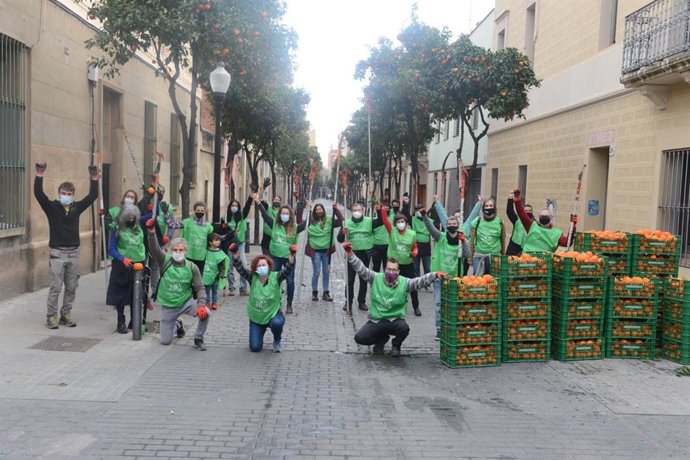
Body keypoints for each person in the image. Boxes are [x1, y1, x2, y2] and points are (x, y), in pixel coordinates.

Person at [343, 242, 443, 357]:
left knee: (404, 328)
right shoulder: (375, 278)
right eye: (389, 269)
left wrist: (435, 275)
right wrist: (350, 253)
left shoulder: (405, 283)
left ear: (398, 272)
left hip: (395, 321)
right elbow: (361, 269)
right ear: (384, 269)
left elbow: (419, 281)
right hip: (377, 320)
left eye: (394, 270)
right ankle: (381, 339)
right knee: (359, 338)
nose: (391, 272)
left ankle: (396, 346)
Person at [33, 162, 99, 329]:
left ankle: (66, 314)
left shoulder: (77, 207)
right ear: (59, 193)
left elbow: (92, 196)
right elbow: (39, 194)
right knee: (56, 287)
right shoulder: (52, 207)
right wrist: (39, 174)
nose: (66, 196)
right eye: (63, 193)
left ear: (73, 195)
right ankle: (51, 316)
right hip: (57, 253)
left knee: (71, 287)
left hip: (74, 253)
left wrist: (94, 177)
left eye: (69, 193)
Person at [145, 219, 210, 351]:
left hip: (186, 302)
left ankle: (198, 338)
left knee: (206, 313)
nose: (178, 252)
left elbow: (200, 287)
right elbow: (154, 248)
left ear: (185, 251)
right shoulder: (165, 260)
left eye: (181, 250)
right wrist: (151, 233)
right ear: (170, 251)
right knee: (165, 341)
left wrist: (202, 305)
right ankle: (178, 324)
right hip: (168, 306)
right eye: (175, 250)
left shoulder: (192, 267)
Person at [230, 242, 297, 353]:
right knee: (255, 347)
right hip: (257, 317)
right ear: (255, 268)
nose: (261, 267)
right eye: (259, 266)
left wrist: (292, 255)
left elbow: (287, 270)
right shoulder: (253, 277)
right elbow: (240, 269)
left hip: (273, 314)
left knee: (277, 323)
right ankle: (259, 331)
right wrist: (236, 254)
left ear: (269, 266)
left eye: (264, 265)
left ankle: (277, 340)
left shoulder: (276, 277)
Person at [255, 193, 307, 314]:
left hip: (289, 259)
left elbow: (306, 224)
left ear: (290, 215)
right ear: (279, 215)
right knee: (274, 280)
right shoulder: (274, 224)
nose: (284, 215)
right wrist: (258, 202)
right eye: (282, 213)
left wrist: (308, 209)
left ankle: (289, 303)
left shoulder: (294, 227)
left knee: (290, 281)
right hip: (276, 258)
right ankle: (274, 301)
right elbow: (265, 214)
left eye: (286, 213)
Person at [421, 210, 469, 337]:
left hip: (456, 279)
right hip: (440, 278)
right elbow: (431, 229)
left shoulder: (461, 239)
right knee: (439, 305)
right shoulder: (441, 237)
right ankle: (439, 329)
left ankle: (454, 327)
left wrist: (464, 242)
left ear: (457, 225)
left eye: (454, 223)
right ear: (446, 226)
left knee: (455, 305)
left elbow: (467, 255)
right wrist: (425, 217)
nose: (452, 225)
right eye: (450, 223)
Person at [106, 204, 152, 333]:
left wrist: (158, 196)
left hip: (138, 265)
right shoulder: (116, 229)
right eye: (128, 217)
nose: (131, 219)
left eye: (133, 217)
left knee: (136, 294)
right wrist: (123, 259)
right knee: (120, 295)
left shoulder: (140, 225)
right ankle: (121, 321)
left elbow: (154, 214)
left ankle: (134, 321)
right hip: (122, 266)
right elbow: (112, 249)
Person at [337, 201, 384, 314]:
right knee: (350, 279)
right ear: (351, 212)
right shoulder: (346, 222)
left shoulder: (369, 221)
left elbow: (381, 222)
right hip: (351, 254)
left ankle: (361, 301)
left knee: (364, 278)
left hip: (365, 253)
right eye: (354, 210)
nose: (357, 212)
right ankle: (348, 302)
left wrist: (379, 210)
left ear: (362, 211)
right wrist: (343, 233)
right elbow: (339, 239)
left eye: (359, 210)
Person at [380, 205, 422, 317]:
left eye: (402, 221)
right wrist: (383, 210)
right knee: (392, 285)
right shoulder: (392, 231)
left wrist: (415, 252)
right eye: (398, 222)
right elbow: (384, 220)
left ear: (406, 222)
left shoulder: (412, 233)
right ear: (395, 224)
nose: (400, 223)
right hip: (395, 265)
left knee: (412, 286)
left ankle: (416, 306)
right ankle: (391, 306)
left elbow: (415, 246)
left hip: (408, 263)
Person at [512, 189, 577, 253]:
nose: (544, 218)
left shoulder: (556, 233)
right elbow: (522, 215)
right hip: (527, 259)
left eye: (546, 217)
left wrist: (573, 226)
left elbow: (567, 242)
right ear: (539, 218)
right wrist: (517, 200)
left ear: (551, 218)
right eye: (542, 216)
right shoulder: (532, 226)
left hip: (544, 261)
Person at [432, 194, 481, 277]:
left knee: (462, 276)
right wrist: (437, 202)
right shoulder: (449, 227)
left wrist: (479, 204)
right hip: (450, 256)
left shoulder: (465, 227)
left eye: (460, 216)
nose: (457, 218)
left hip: (462, 256)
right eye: (456, 216)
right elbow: (442, 215)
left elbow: (472, 215)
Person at [306, 201, 344, 302]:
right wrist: (306, 209)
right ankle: (314, 292)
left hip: (326, 252)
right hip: (315, 251)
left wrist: (336, 210)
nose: (319, 211)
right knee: (316, 272)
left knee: (326, 273)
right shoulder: (311, 221)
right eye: (317, 209)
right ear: (314, 211)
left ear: (323, 210)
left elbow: (341, 221)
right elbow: (299, 221)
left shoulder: (329, 221)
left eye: (320, 209)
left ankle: (326, 293)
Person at [168, 201, 214, 274]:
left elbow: (211, 242)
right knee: (186, 277)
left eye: (202, 211)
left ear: (205, 211)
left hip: (201, 257)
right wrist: (167, 214)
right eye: (198, 210)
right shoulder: (187, 222)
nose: (200, 212)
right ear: (194, 210)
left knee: (197, 279)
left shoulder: (209, 227)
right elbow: (172, 226)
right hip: (188, 256)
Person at [469, 198, 505, 276]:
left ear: (494, 208)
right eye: (486, 206)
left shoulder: (500, 222)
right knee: (478, 283)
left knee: (493, 283)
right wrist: (470, 257)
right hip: (479, 257)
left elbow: (503, 240)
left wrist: (502, 255)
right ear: (483, 208)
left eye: (491, 205)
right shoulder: (477, 222)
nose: (489, 208)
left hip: (494, 258)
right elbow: (472, 240)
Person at [225, 196, 253, 296]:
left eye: (236, 205)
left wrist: (250, 197)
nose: (234, 207)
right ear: (229, 207)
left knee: (244, 266)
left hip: (240, 244)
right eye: (232, 205)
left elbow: (247, 207)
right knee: (229, 267)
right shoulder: (226, 218)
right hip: (230, 245)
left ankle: (243, 288)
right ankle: (231, 287)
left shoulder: (242, 216)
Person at [202, 233, 230, 311]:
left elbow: (223, 264)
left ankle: (214, 303)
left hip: (216, 275)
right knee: (206, 290)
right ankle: (207, 303)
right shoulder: (206, 251)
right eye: (216, 240)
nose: (218, 242)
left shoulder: (220, 252)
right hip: (206, 275)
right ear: (210, 242)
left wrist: (222, 274)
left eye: (219, 240)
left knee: (215, 291)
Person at [410, 203, 432, 290]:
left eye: (420, 209)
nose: (418, 211)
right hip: (416, 246)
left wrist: (434, 204)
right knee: (415, 267)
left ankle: (427, 285)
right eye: (416, 210)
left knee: (427, 268)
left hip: (426, 247)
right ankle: (417, 284)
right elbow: (405, 214)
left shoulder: (429, 220)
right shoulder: (412, 220)